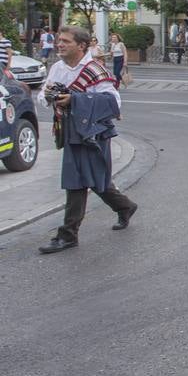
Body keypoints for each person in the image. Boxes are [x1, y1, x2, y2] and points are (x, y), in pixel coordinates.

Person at [37, 26, 137, 254]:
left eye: (65, 41)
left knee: (79, 180)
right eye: (59, 41)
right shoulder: (57, 68)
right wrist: (50, 96)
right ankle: (125, 206)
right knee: (90, 178)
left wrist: (75, 99)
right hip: (71, 129)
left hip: (94, 132)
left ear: (81, 46)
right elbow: (43, 97)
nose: (59, 44)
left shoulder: (94, 69)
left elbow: (113, 103)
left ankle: (68, 234)